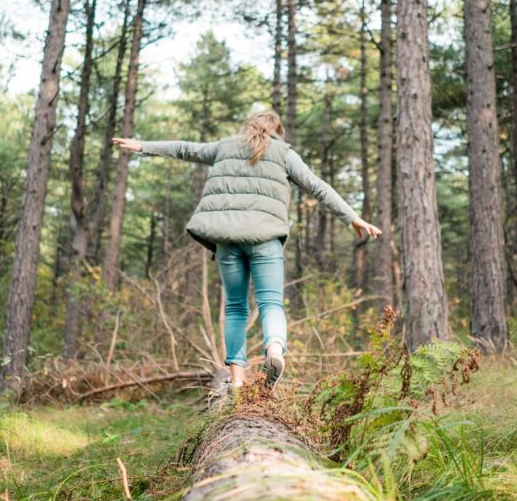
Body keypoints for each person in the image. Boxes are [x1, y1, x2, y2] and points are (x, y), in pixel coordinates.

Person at [113, 110, 381, 391]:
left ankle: (238, 382)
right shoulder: (284, 153)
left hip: (228, 240)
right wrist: (353, 217)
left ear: (248, 127)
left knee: (236, 308)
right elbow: (318, 187)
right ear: (277, 130)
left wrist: (141, 145)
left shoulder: (224, 147)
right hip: (265, 239)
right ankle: (275, 350)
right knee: (271, 303)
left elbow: (183, 149)